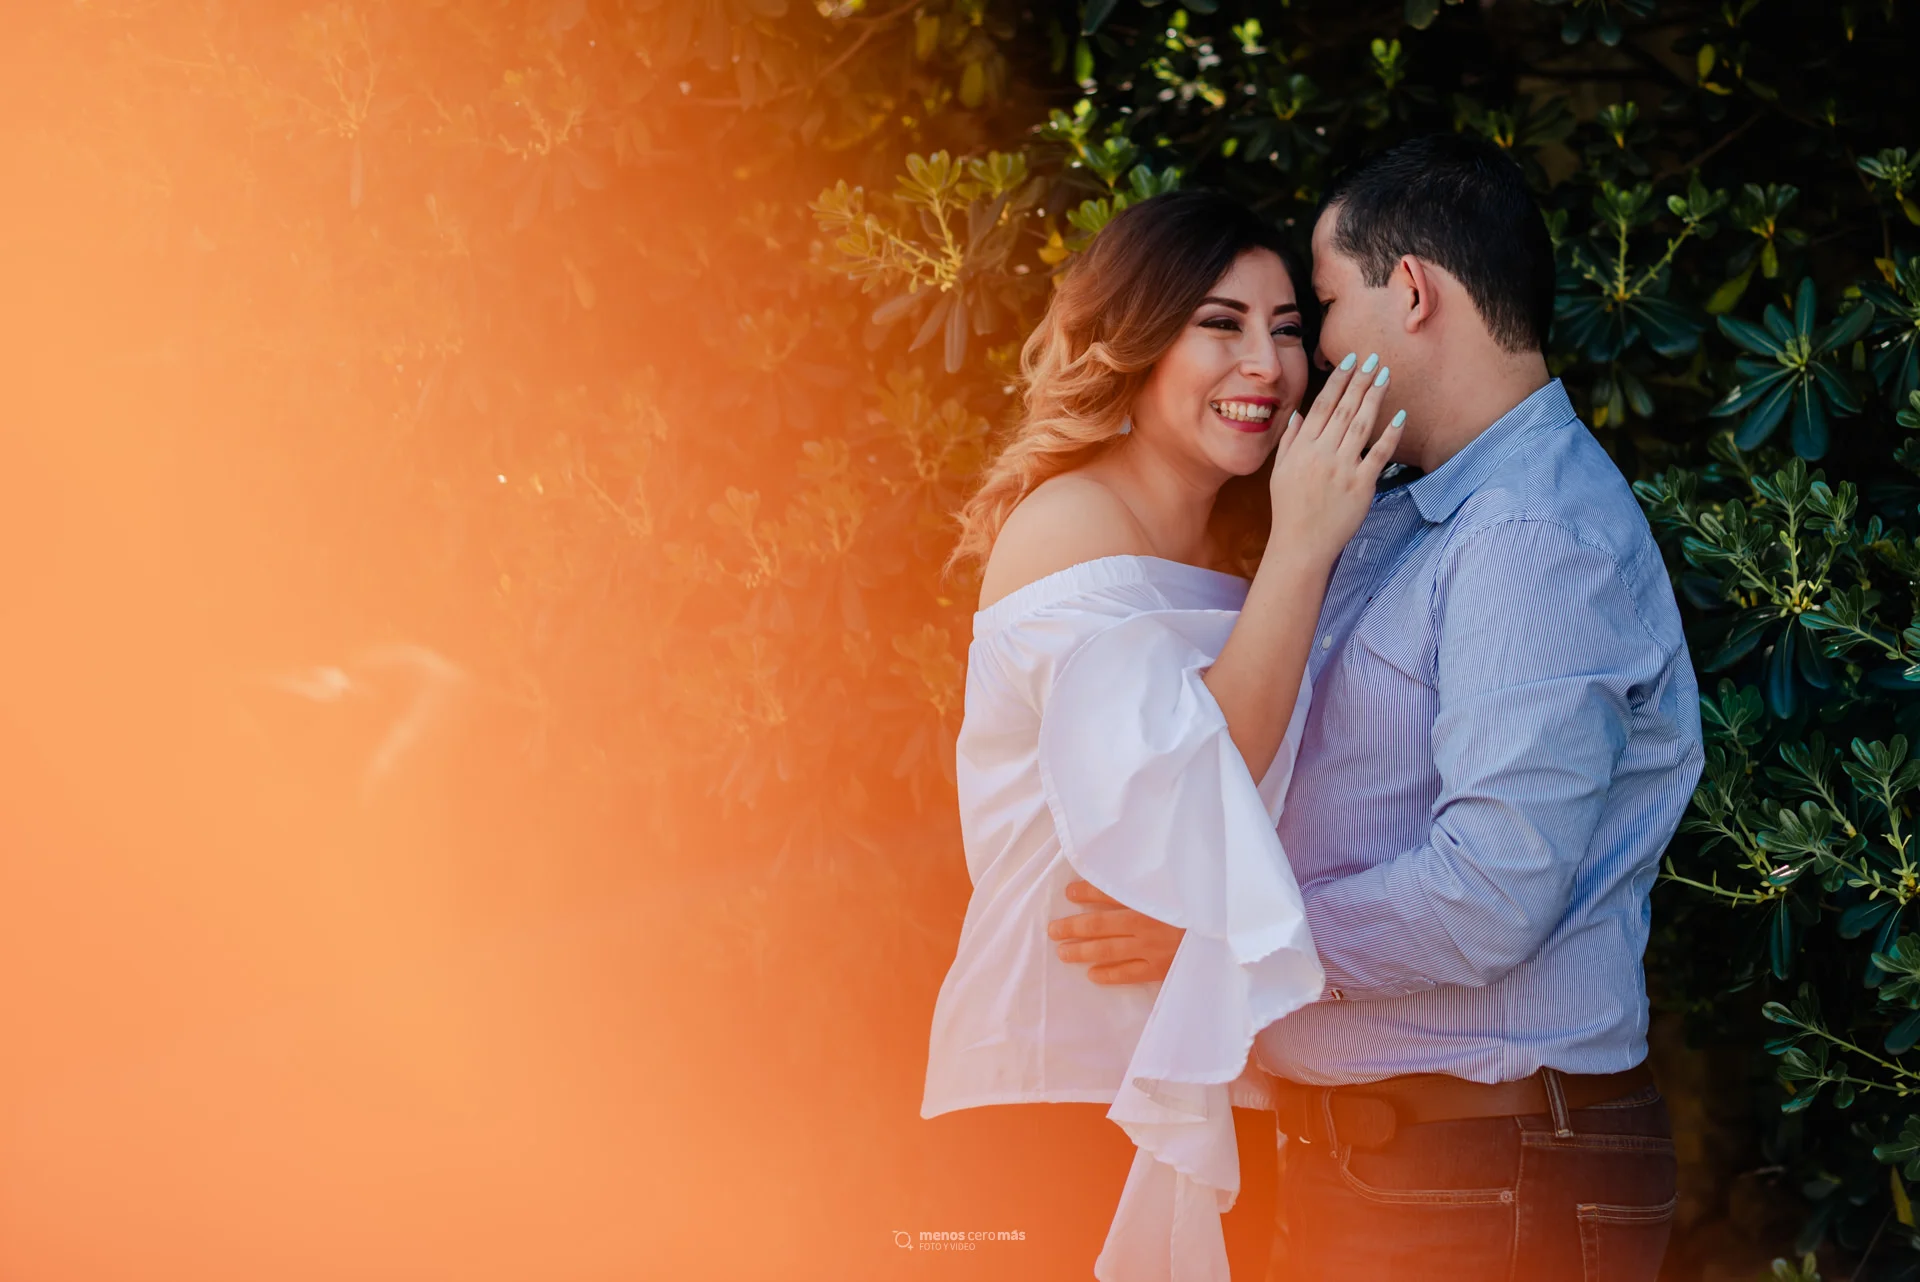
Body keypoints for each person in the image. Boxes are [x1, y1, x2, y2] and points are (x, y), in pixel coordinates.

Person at [1048, 134, 1704, 1280]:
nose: (1310, 354)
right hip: (1399, 1165)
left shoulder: (1529, 538)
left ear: (1411, 294)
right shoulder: (1399, 510)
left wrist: (1227, 944)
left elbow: (1493, 887)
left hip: (1484, 1165)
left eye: (1325, 306)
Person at [912, 189, 1404, 1282]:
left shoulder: (1240, 572)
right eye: (1219, 324)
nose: (1266, 367)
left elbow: (1255, 853)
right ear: (1134, 338)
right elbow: (1192, 797)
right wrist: (1305, 546)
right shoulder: (1068, 526)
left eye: (1285, 329)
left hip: (1211, 1083)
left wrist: (1212, 936)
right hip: (1054, 1084)